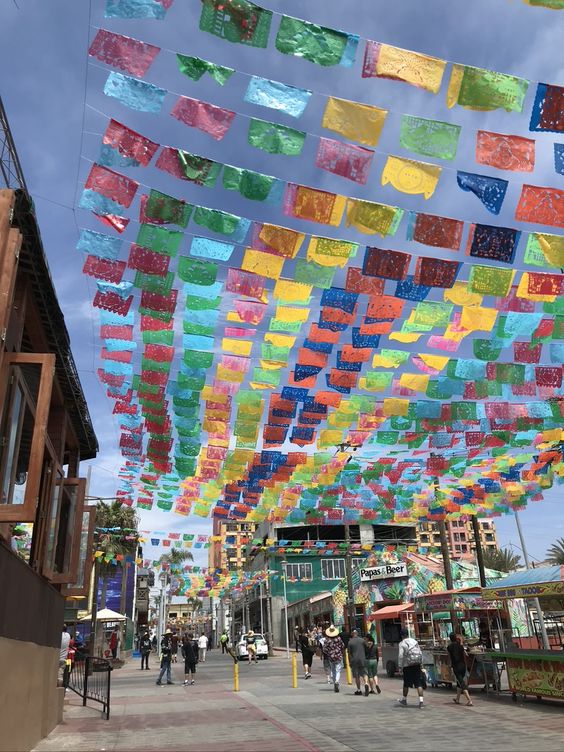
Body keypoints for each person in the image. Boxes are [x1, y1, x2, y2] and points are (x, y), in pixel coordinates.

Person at [397, 628, 424, 708]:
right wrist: (421, 663)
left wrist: (400, 666)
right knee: (418, 683)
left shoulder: (402, 643)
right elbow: (420, 652)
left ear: (401, 635)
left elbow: (401, 656)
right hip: (417, 664)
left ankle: (404, 699)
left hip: (407, 665)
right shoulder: (414, 641)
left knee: (406, 684)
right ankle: (421, 701)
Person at [447, 633, 473, 707]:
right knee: (459, 682)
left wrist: (450, 665)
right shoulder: (460, 646)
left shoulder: (449, 647)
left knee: (461, 682)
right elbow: (466, 654)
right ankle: (457, 699)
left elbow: (449, 657)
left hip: (456, 667)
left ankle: (469, 700)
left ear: (450, 639)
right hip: (463, 666)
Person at [322, 625, 345, 693]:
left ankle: (335, 681)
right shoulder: (338, 638)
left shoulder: (327, 640)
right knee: (338, 670)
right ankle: (337, 681)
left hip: (331, 657)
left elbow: (324, 649)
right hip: (338, 656)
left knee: (333, 670)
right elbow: (342, 646)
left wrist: (329, 652)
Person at [347, 629, 369, 697]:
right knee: (365, 673)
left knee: (357, 676)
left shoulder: (350, 642)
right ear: (357, 633)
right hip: (362, 659)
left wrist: (349, 662)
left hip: (354, 661)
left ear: (352, 634)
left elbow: (349, 653)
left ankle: (359, 690)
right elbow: (367, 648)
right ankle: (366, 683)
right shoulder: (362, 640)